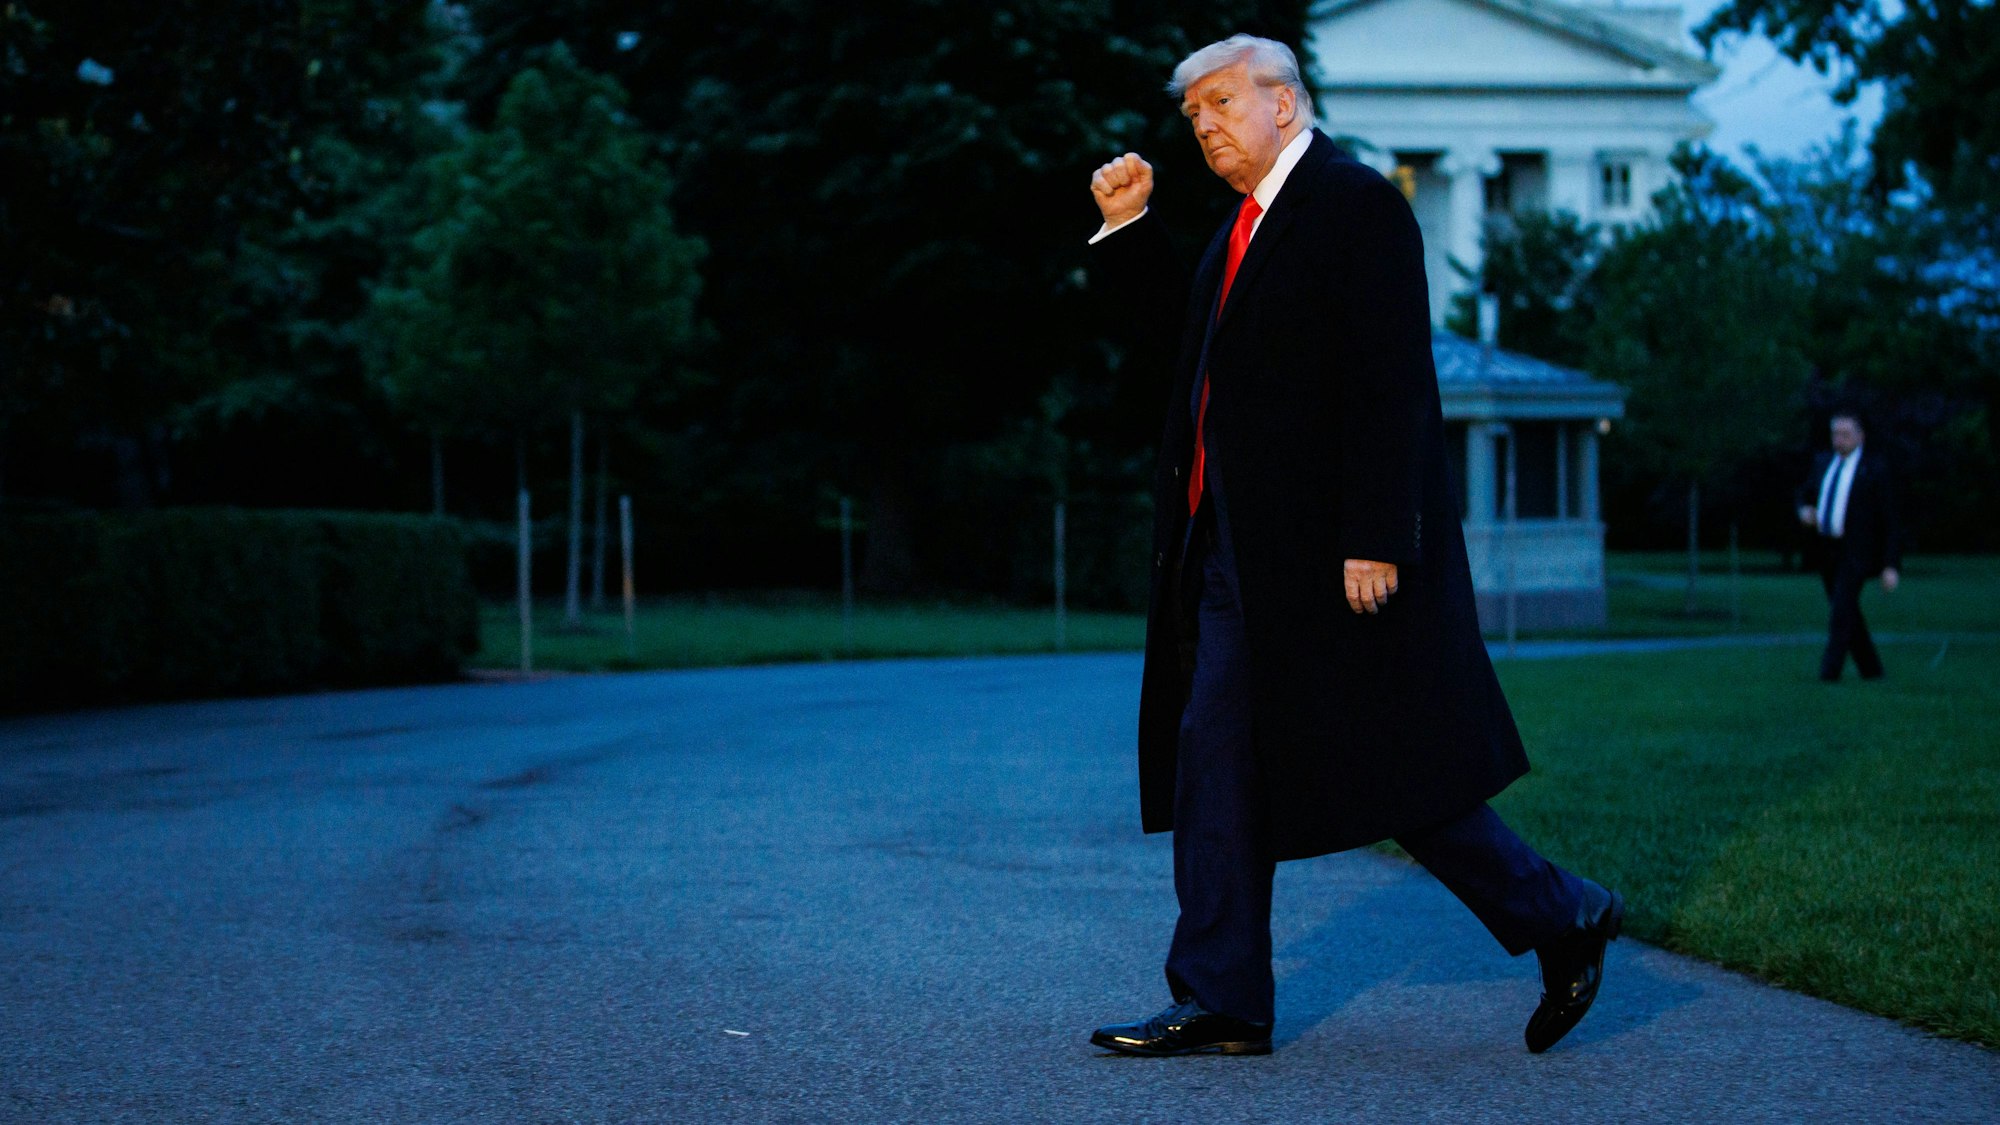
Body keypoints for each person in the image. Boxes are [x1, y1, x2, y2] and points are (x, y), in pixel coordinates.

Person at [1083, 34, 1622, 1058]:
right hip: (1232, 553)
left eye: (1221, 102)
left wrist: (1375, 536)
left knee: (1388, 770)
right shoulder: (1241, 229)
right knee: (1216, 763)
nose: (1202, 125)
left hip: (1322, 555)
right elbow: (1178, 355)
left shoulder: (1350, 202)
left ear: (1283, 103)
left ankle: (1563, 912)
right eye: (1191, 111)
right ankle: (1220, 996)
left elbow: (1389, 384)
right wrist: (1127, 229)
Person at [1795, 412, 1901, 681]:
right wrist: (1804, 510)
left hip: (1856, 552)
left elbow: (1890, 521)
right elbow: (1805, 492)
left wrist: (1890, 565)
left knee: (1841, 611)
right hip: (1826, 549)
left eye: (1845, 434)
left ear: (1860, 437)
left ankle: (1829, 674)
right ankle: (1872, 669)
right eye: (1835, 434)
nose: (1838, 440)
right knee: (1847, 610)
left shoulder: (1873, 470)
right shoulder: (1823, 463)